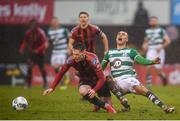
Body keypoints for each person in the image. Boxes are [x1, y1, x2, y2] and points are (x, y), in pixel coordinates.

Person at [101, 31, 174, 113]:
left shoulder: (131, 51)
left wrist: (152, 62)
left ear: (126, 39)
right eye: (119, 34)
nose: (120, 35)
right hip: (117, 84)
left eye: (123, 34)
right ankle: (124, 102)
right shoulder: (109, 53)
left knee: (147, 92)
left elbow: (141, 60)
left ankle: (165, 108)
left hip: (130, 80)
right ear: (116, 38)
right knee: (107, 78)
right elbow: (100, 68)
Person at [43, 43, 116, 113]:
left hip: (98, 80)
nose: (75, 56)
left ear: (83, 52)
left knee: (110, 104)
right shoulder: (71, 60)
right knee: (82, 91)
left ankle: (100, 104)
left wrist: (94, 90)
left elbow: (102, 78)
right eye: (73, 54)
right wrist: (52, 88)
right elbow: (61, 73)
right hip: (86, 80)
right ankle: (105, 106)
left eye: (77, 54)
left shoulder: (92, 59)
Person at [68, 11, 111, 110]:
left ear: (88, 18)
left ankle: (99, 96)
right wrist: (73, 52)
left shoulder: (94, 28)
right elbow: (70, 42)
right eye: (81, 17)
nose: (83, 18)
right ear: (79, 19)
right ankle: (91, 96)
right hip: (80, 58)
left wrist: (106, 50)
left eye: (85, 17)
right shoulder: (75, 30)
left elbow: (103, 36)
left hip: (92, 57)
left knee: (97, 75)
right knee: (83, 75)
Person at [19, 19, 48, 89]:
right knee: (29, 67)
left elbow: (45, 43)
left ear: (36, 25)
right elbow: (25, 41)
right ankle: (29, 85)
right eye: (31, 25)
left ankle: (45, 83)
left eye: (33, 25)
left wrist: (38, 50)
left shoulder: (41, 32)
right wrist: (22, 48)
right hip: (32, 53)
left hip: (40, 54)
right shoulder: (28, 33)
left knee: (42, 69)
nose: (32, 26)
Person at [142, 16, 171, 87]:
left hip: (159, 51)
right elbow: (146, 41)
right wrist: (144, 46)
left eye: (155, 21)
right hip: (151, 50)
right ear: (149, 22)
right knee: (148, 65)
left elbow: (168, 41)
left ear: (157, 22)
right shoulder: (147, 31)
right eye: (152, 21)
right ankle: (149, 85)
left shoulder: (161, 30)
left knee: (158, 70)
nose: (153, 22)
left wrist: (161, 47)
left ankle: (163, 76)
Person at [48, 17, 70, 90]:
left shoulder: (63, 30)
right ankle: (66, 75)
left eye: (55, 21)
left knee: (61, 68)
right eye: (53, 21)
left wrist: (69, 48)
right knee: (54, 67)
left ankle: (62, 84)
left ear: (58, 22)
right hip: (55, 51)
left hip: (62, 51)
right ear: (51, 23)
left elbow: (70, 38)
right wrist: (46, 43)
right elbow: (48, 40)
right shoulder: (49, 31)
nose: (54, 23)